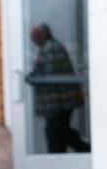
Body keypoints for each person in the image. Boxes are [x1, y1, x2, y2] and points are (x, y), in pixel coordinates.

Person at [26, 24, 90, 153]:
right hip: (59, 102)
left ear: (43, 35)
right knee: (60, 132)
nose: (32, 40)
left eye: (34, 37)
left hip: (60, 102)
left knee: (55, 133)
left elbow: (48, 75)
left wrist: (31, 77)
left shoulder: (52, 49)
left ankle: (63, 159)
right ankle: (85, 152)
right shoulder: (48, 47)